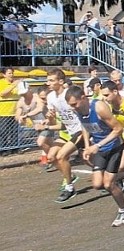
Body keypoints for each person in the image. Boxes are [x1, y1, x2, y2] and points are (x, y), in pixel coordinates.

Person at [65, 85, 124, 227]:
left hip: (114, 146)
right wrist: (87, 145)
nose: (73, 108)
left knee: (108, 184)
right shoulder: (79, 110)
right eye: (71, 105)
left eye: (74, 104)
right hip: (98, 148)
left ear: (83, 98)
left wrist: (97, 146)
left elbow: (118, 129)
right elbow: (84, 126)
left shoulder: (99, 108)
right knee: (97, 184)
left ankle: (123, 211)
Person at [44, 69, 85, 203]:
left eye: (51, 80)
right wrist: (49, 119)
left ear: (61, 82)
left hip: (80, 130)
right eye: (47, 80)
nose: (47, 83)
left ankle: (69, 187)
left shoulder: (69, 94)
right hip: (68, 132)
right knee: (51, 156)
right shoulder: (50, 97)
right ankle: (70, 177)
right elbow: (54, 121)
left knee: (61, 156)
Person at [0, 67, 20, 150]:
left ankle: (14, 147)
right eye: (9, 73)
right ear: (4, 75)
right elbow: (2, 93)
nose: (11, 75)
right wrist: (13, 85)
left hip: (15, 112)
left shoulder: (15, 84)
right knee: (3, 131)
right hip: (4, 112)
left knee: (14, 131)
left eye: (12, 73)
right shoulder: (1, 83)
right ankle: (3, 148)